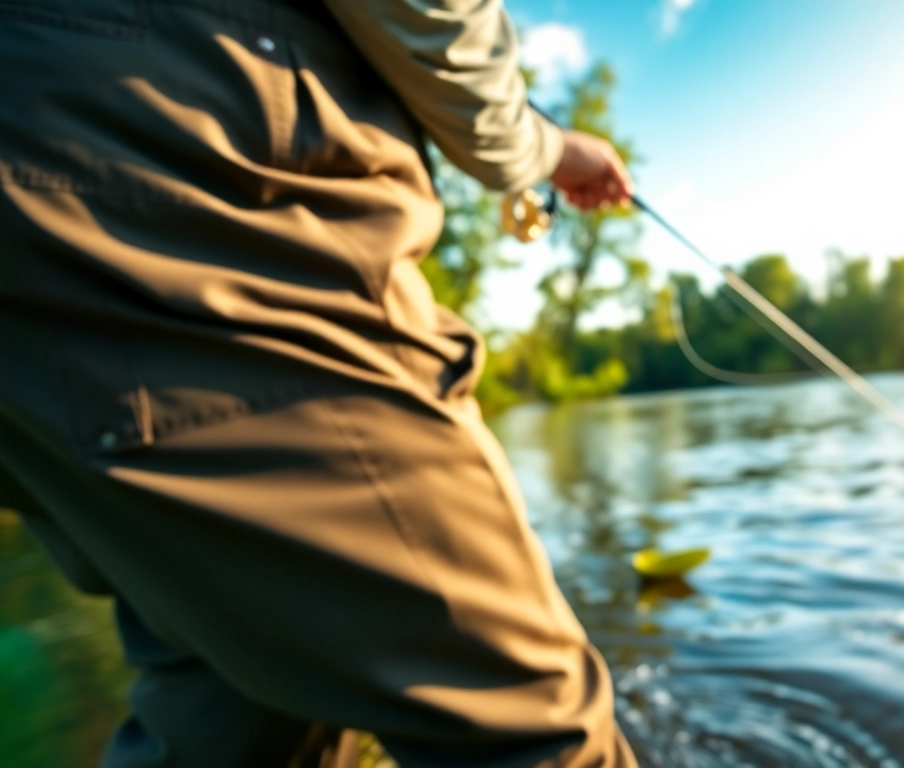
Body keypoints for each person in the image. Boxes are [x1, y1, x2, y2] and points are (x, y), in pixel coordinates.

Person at [0, 0, 637, 764]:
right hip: (172, 174)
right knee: (528, 717)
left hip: (55, 168)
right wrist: (544, 146)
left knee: (238, 693)